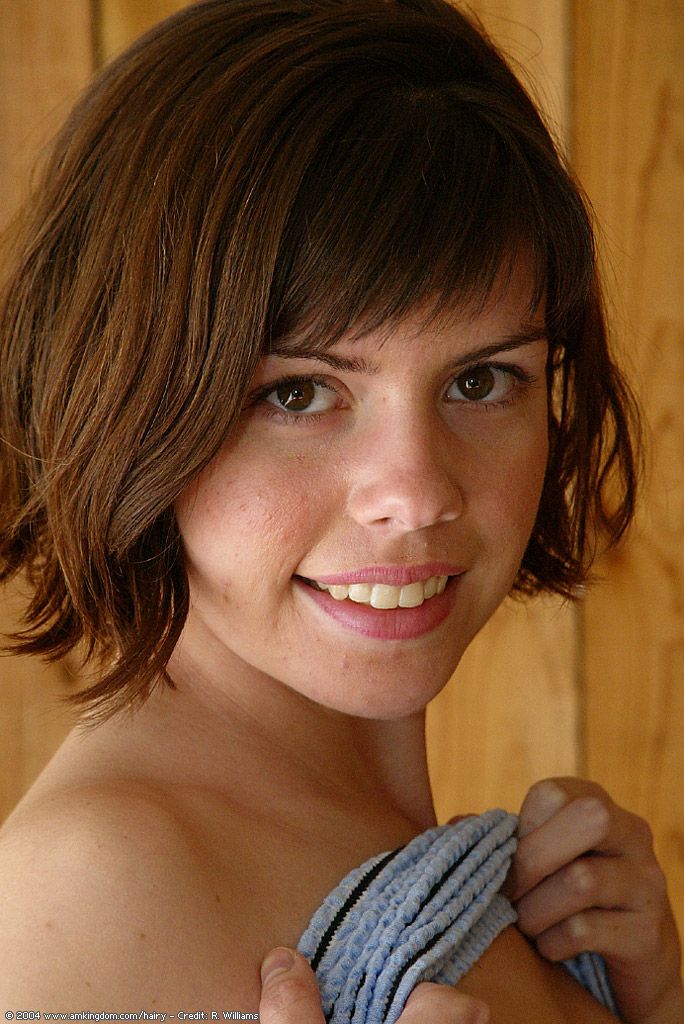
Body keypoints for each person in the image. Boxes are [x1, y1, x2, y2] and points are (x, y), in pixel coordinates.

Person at [0, 1, 681, 1020]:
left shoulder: (498, 881)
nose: (417, 492)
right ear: (126, 401)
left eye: (482, 380)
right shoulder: (94, 892)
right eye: (298, 392)